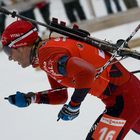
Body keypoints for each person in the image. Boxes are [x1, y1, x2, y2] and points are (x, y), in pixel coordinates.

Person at [2, 19, 140, 140]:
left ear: (21, 44)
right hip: (129, 94)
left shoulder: (47, 55)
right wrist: (32, 98)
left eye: (8, 51)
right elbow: (60, 95)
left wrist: (74, 106)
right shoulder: (47, 52)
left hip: (124, 101)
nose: (9, 57)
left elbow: (87, 72)